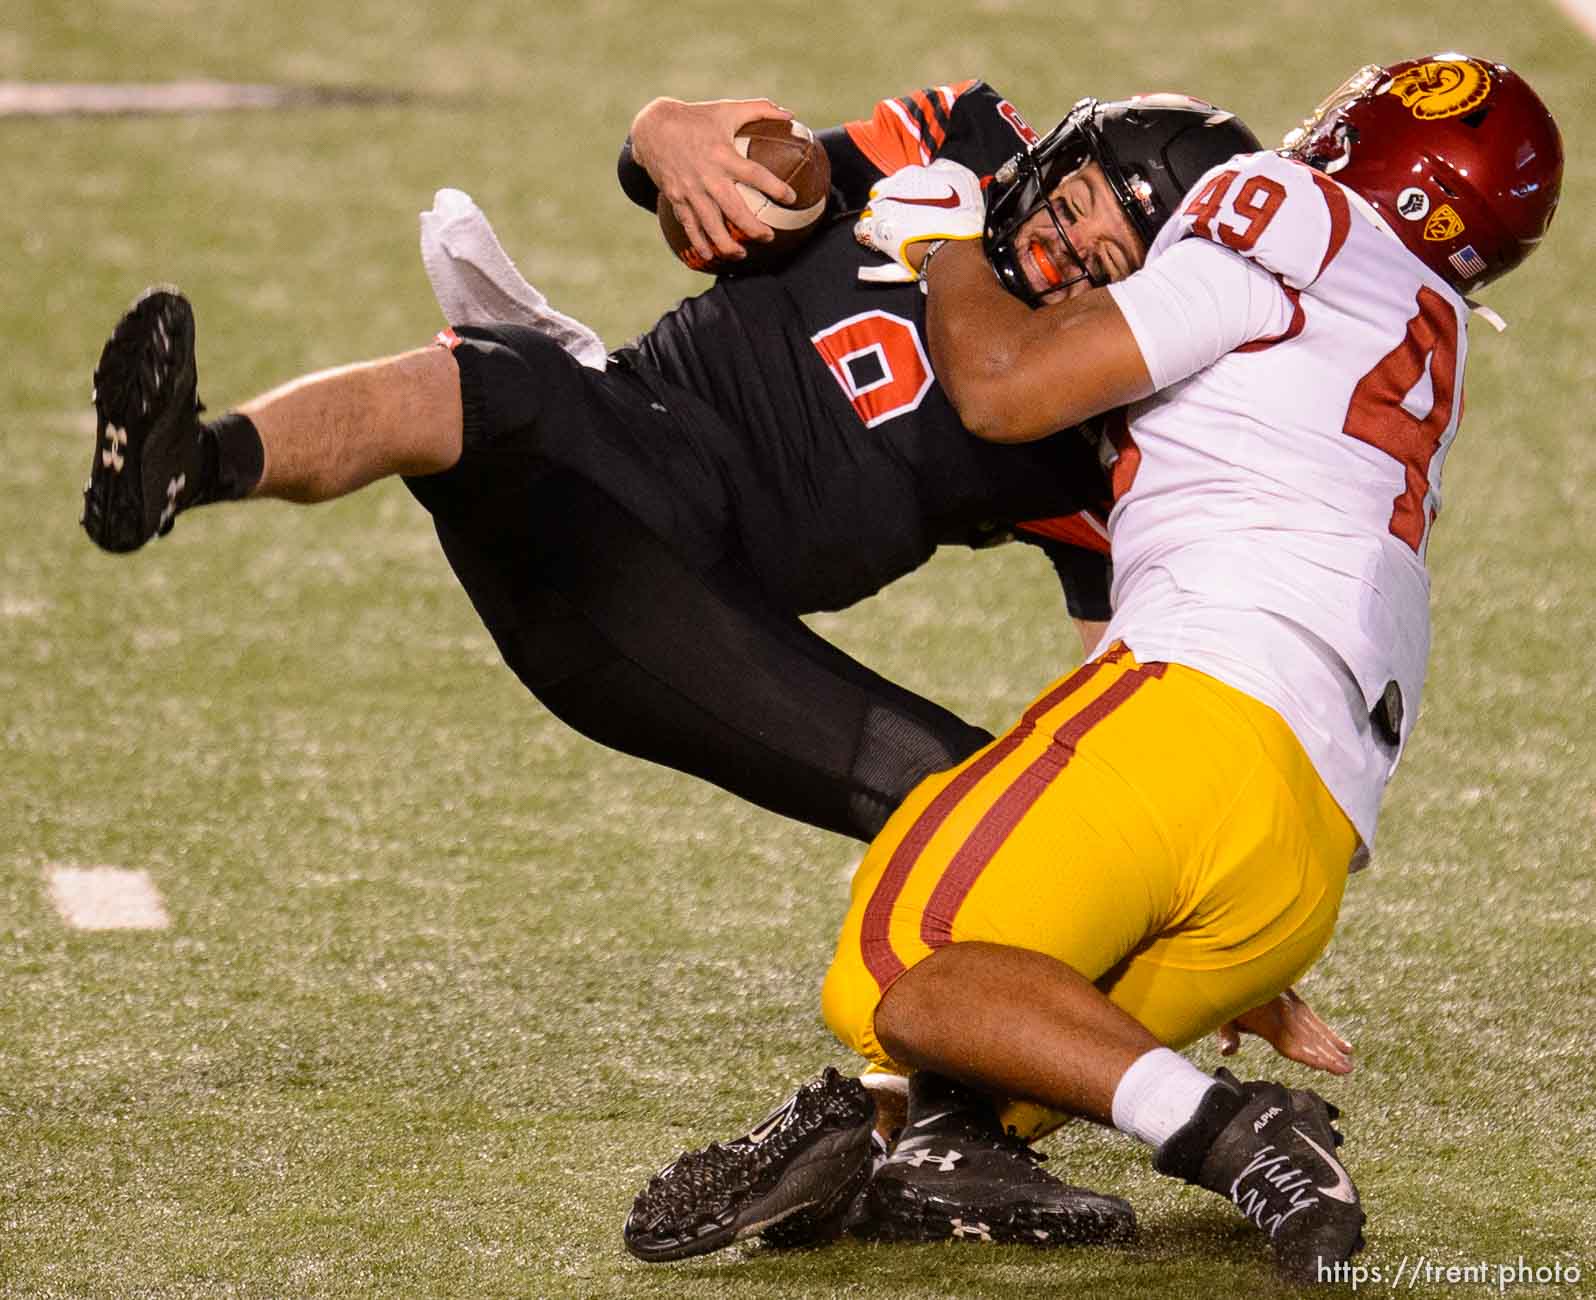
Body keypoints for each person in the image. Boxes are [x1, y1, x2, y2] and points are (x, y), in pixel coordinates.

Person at [621, 54, 1563, 1282]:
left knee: (900, 962)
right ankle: (918, 1142)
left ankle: (1232, 1130)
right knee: (984, 1071)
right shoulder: (1415, 317)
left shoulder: (1294, 208)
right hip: (1309, 848)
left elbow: (1006, 388)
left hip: (1204, 699)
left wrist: (950, 242)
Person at [80, 82, 1257, 847]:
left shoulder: (1093, 427)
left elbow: (1124, 657)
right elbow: (757, 172)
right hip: (617, 454)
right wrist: (670, 131)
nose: (1065, 257)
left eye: (1108, 263)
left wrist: (1150, 844)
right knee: (493, 378)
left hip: (698, 617)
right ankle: (187, 461)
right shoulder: (955, 146)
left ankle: (1012, 1112)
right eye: (1081, 209)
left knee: (1005, 826)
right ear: (1055, 157)